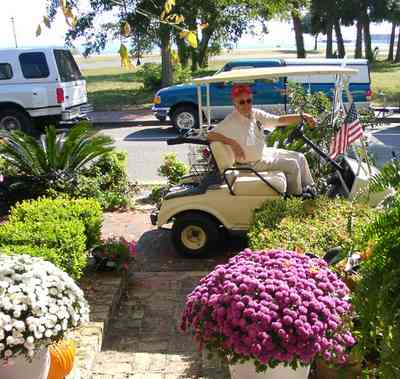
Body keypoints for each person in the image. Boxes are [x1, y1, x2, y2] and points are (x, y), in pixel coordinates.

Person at [207, 84, 316, 197]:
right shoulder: (230, 121)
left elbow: (278, 120)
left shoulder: (255, 114)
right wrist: (232, 143)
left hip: (264, 153)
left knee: (300, 157)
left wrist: (303, 117)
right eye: (241, 102)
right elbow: (210, 135)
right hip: (250, 164)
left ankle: (311, 189)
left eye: (248, 100)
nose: (246, 105)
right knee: (292, 165)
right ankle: (296, 198)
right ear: (234, 103)